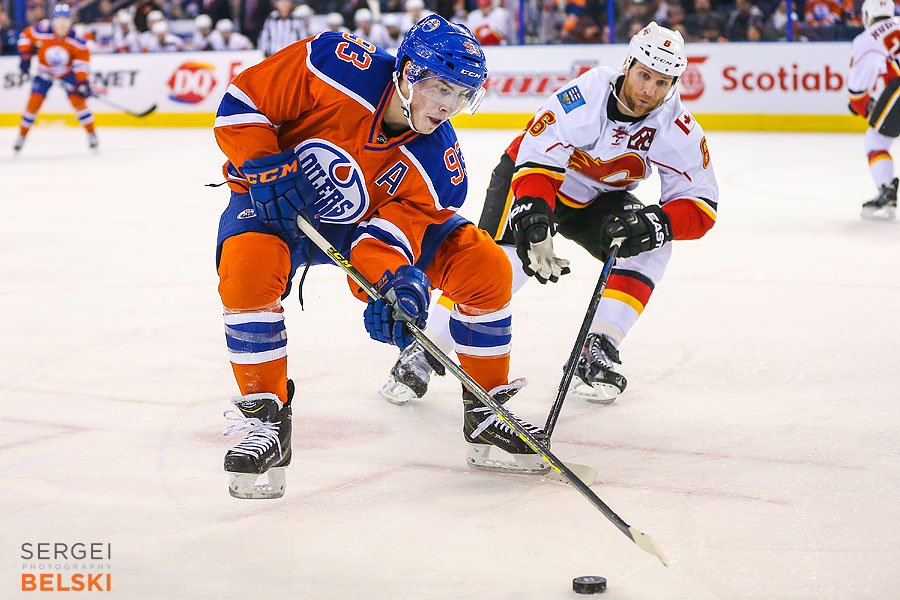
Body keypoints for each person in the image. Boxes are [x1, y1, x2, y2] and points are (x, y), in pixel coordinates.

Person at [214, 16, 548, 499]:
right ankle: (264, 419)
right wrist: (261, 164)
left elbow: (381, 242)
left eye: (461, 94)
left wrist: (397, 284)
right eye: (439, 88)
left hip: (360, 226)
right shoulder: (333, 64)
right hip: (276, 201)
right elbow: (242, 103)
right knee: (247, 269)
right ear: (408, 71)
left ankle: (486, 409)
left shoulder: (439, 165)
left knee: (484, 264)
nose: (447, 106)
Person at [380, 22, 718, 407]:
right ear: (628, 64)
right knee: (498, 265)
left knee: (651, 247)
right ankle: (426, 348)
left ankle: (599, 346)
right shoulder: (586, 95)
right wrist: (535, 219)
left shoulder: (677, 126)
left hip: (599, 198)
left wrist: (658, 223)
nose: (648, 91)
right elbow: (537, 158)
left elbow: (701, 204)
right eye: (644, 75)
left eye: (662, 82)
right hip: (532, 177)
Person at [14, 3, 97, 152]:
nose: (62, 24)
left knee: (79, 103)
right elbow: (24, 37)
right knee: (33, 104)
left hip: (67, 73)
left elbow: (81, 63)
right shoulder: (41, 30)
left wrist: (82, 81)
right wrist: (25, 58)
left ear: (70, 21)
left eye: (66, 20)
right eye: (59, 20)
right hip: (45, 73)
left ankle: (92, 134)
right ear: (53, 20)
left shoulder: (77, 39)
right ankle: (21, 137)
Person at [848, 0, 900, 219]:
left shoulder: (866, 38)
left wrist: (862, 108)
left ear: (867, 15)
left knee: (875, 140)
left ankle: (887, 190)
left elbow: (857, 94)